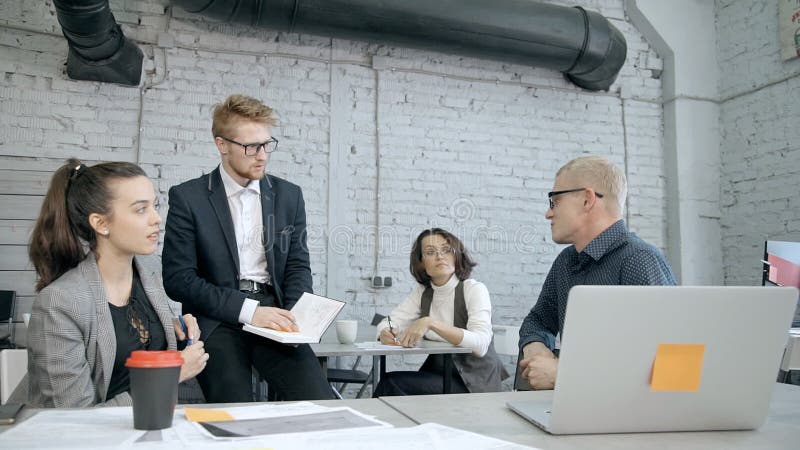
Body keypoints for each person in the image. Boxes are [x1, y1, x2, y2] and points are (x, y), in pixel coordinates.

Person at [162, 94, 333, 402]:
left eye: (267, 144)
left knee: (319, 402)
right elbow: (179, 280)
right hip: (217, 319)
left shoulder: (289, 195)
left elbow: (297, 265)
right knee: (237, 410)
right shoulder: (188, 198)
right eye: (251, 146)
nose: (263, 155)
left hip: (273, 312)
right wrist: (249, 312)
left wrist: (295, 315)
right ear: (222, 144)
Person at [27, 159, 208, 407]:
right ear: (100, 223)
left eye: (154, 206)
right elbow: (74, 419)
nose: (156, 219)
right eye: (140, 209)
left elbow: (137, 342)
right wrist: (170, 375)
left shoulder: (149, 271)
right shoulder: (59, 303)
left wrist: (175, 327)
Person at [518, 155, 676, 390]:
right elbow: (537, 321)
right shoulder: (566, 261)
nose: (548, 213)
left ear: (587, 200)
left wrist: (566, 374)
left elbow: (671, 366)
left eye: (555, 201)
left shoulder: (639, 261)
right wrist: (536, 347)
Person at [373, 228, 508, 396]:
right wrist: (385, 332)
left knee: (392, 384)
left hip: (474, 384)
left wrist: (430, 322)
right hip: (439, 375)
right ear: (421, 262)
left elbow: (480, 345)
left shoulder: (473, 289)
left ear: (457, 255)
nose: (440, 256)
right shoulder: (423, 292)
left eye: (446, 250)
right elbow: (389, 321)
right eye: (430, 252)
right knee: (390, 383)